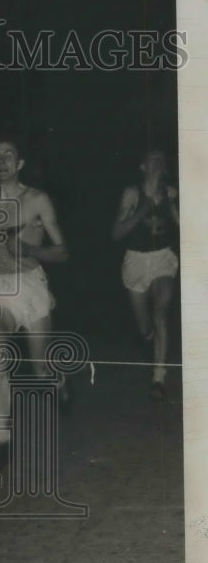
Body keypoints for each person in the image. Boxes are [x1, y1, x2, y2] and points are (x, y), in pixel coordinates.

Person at [0, 137, 69, 472]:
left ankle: (56, 380)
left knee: (40, 369)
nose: (2, 161)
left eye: (9, 155)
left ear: (20, 163)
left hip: (31, 284)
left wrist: (29, 250)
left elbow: (63, 251)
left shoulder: (37, 200)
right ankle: (2, 439)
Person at [112, 149, 179, 399]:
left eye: (162, 159)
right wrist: (144, 208)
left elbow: (187, 226)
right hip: (135, 261)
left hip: (163, 257)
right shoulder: (132, 193)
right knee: (146, 329)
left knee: (160, 314)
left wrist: (172, 202)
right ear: (143, 166)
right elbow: (116, 234)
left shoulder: (170, 192)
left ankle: (158, 377)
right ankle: (149, 336)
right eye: (152, 158)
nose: (157, 162)